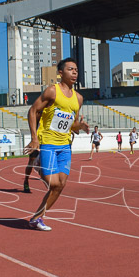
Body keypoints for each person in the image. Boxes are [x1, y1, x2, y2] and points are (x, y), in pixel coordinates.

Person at [24, 58, 89, 231]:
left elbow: (72, 125)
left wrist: (80, 126)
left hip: (65, 146)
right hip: (48, 143)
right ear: (61, 72)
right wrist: (34, 138)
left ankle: (36, 218)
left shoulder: (79, 98)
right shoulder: (52, 91)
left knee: (60, 185)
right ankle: (37, 164)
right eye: (70, 69)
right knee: (53, 183)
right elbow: (33, 110)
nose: (74, 72)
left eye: (76, 69)